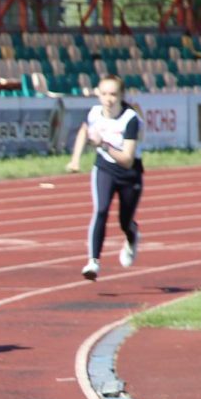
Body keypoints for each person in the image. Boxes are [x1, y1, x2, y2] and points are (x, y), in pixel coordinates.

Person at [65, 74, 143, 281]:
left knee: (124, 222)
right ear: (98, 94)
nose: (109, 99)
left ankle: (132, 235)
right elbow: (84, 131)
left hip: (129, 173)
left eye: (113, 94)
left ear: (121, 95)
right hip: (104, 169)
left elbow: (127, 159)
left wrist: (104, 144)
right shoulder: (93, 113)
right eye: (104, 94)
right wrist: (75, 160)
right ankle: (93, 261)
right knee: (100, 210)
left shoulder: (130, 119)